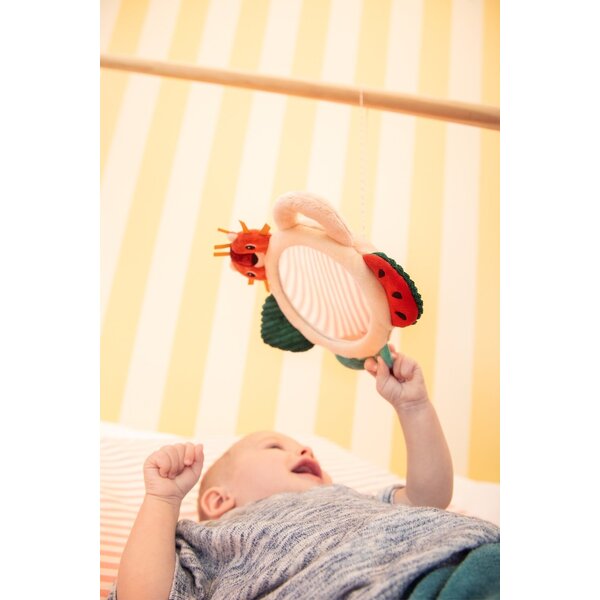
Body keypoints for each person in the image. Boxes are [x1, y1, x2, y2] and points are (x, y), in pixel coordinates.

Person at [110, 348, 500, 600]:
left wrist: (414, 408)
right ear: (219, 500)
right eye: (274, 446)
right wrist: (162, 499)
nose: (306, 450)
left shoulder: (354, 500)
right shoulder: (202, 543)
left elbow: (429, 497)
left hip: (470, 557)